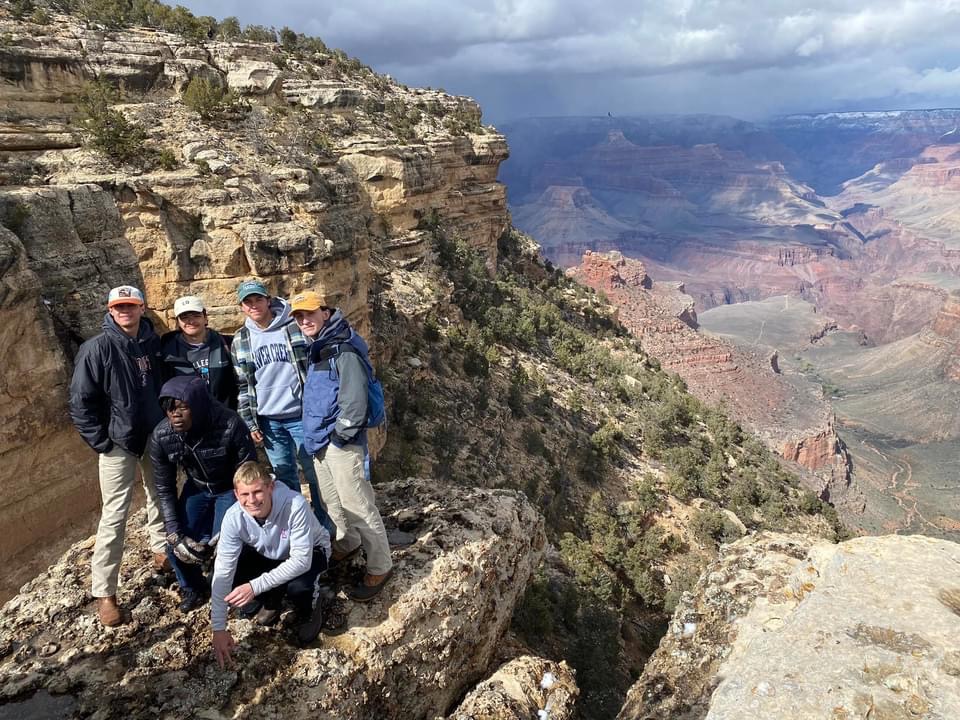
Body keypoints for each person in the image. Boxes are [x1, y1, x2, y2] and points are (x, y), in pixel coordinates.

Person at [69, 285, 169, 627]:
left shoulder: (154, 343)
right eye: (118, 307)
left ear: (142, 308)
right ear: (111, 311)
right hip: (119, 443)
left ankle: (161, 549)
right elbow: (81, 402)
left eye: (131, 305)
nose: (125, 311)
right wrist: (103, 442)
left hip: (154, 436)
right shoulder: (96, 348)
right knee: (114, 515)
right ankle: (106, 593)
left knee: (160, 495)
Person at [293, 291, 393, 602]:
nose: (304, 320)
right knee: (333, 505)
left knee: (358, 506)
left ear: (325, 312)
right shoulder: (320, 347)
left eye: (310, 313)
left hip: (340, 443)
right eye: (298, 316)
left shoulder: (342, 349)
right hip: (320, 442)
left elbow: (354, 402)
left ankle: (380, 565)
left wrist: (338, 437)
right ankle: (348, 543)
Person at [150, 376, 256, 612]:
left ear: (198, 406)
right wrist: (173, 531)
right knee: (176, 545)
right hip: (197, 487)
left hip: (230, 487)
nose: (174, 415)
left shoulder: (230, 423)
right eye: (169, 409)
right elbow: (164, 487)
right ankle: (193, 588)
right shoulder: (162, 436)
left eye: (182, 408)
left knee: (230, 542)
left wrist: (239, 512)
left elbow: (249, 470)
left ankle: (237, 589)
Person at [229, 279, 329, 530]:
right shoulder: (241, 339)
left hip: (302, 415)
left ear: (268, 300)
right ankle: (298, 525)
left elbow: (316, 365)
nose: (254, 305)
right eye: (247, 302)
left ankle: (325, 524)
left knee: (316, 473)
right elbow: (243, 385)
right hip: (268, 420)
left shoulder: (293, 327)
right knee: (284, 475)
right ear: (242, 307)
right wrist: (249, 421)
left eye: (258, 299)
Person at [211, 461, 331, 666]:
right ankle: (272, 599)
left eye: (257, 492)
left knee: (298, 588)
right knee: (229, 576)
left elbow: (302, 560)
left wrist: (254, 586)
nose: (252, 501)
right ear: (236, 494)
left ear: (270, 487)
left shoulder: (294, 504)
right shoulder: (233, 517)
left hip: (311, 552)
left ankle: (311, 605)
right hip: (270, 554)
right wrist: (218, 629)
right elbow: (223, 570)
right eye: (245, 495)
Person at [161, 295, 238, 409]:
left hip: (224, 418)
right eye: (184, 317)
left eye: (196, 315)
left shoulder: (226, 344)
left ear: (205, 318)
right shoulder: (167, 350)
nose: (191, 321)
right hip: (188, 420)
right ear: (177, 322)